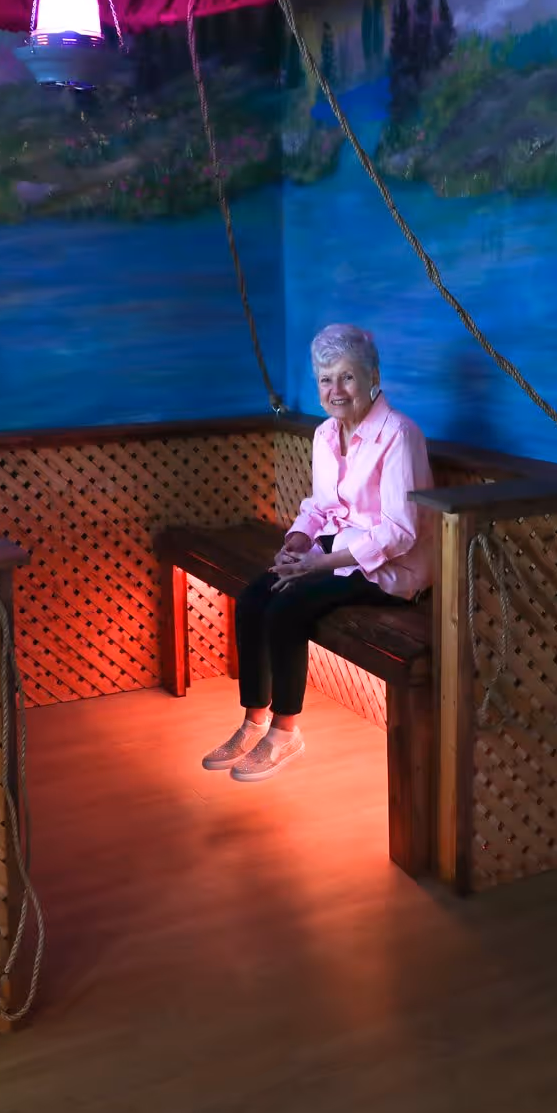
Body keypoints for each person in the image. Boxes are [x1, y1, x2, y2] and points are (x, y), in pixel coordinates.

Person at [203, 323, 435, 782]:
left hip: (390, 570)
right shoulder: (326, 435)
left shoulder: (399, 435)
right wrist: (297, 540)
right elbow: (321, 507)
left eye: (347, 377)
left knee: (287, 606)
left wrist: (321, 563)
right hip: (337, 552)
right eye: (326, 379)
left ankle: (285, 732)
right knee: (254, 598)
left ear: (373, 377)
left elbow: (400, 532)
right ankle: (253, 721)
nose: (336, 390)